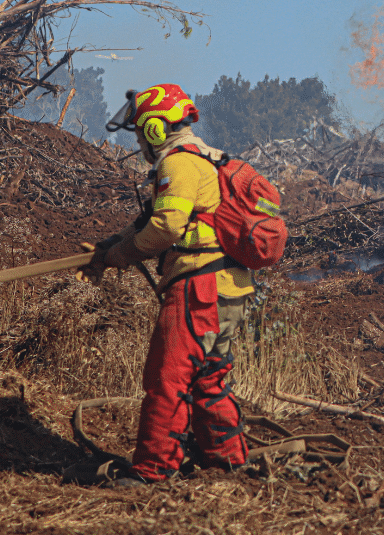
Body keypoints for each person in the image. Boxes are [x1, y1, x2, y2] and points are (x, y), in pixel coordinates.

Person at [81, 84, 254, 485]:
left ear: (157, 129)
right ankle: (227, 461)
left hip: (198, 286)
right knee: (208, 377)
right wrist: (111, 247)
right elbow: (151, 222)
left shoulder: (177, 164)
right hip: (229, 287)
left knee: (167, 376)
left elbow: (166, 226)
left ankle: (152, 470)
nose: (140, 141)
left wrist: (121, 256)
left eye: (141, 131)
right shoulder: (207, 158)